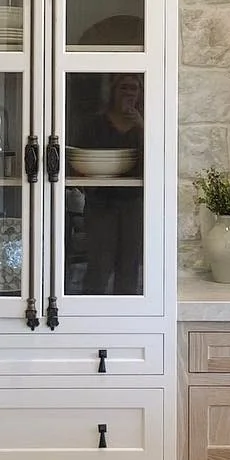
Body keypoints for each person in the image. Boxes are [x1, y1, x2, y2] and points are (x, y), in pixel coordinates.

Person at [78, 74, 143, 295]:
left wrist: (142, 126)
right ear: (113, 92)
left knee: (130, 264)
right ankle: (89, 315)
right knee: (99, 263)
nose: (129, 93)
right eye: (123, 88)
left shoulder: (144, 125)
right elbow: (80, 159)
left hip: (133, 201)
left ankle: (127, 319)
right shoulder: (96, 124)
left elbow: (155, 160)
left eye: (134, 88)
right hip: (101, 201)